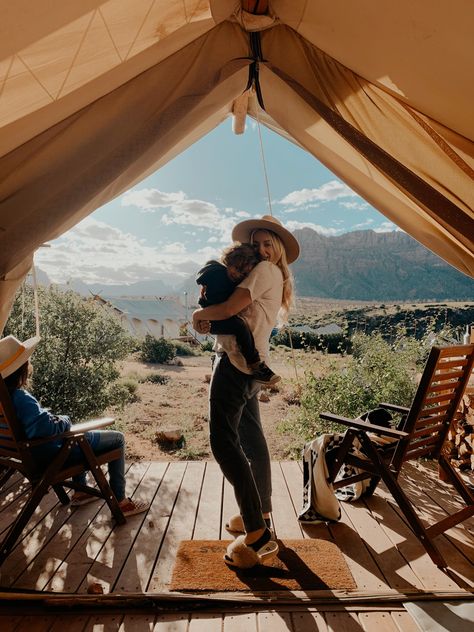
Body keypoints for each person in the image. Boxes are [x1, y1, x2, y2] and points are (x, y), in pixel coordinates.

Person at [193, 215, 299, 569]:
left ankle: (256, 534)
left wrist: (199, 314)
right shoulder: (270, 274)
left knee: (223, 442)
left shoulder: (265, 271)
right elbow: (235, 316)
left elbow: (230, 309)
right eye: (256, 244)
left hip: (237, 365)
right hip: (250, 366)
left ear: (279, 248)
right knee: (252, 440)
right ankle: (261, 512)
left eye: (268, 243)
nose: (262, 250)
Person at [0, 334, 149, 518]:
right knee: (117, 438)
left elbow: (36, 424)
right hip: (52, 455)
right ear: (20, 370)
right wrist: (64, 420)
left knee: (76, 437)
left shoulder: (4, 402)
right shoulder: (19, 398)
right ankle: (121, 502)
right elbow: (43, 428)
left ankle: (82, 491)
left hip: (31, 457)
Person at [196, 242, 280, 385]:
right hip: (213, 319)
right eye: (236, 267)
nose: (237, 274)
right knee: (239, 326)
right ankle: (255, 364)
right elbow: (223, 306)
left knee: (239, 326)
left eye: (243, 273)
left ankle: (256, 364)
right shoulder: (218, 273)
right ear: (229, 260)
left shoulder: (234, 282)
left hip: (214, 319)